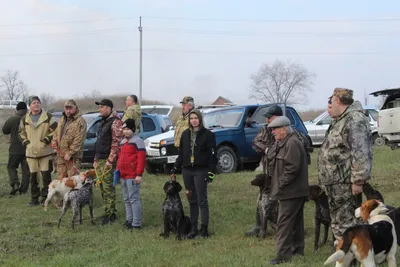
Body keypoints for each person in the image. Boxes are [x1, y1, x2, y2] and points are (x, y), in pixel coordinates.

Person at [318, 88, 372, 246]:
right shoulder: (342, 119)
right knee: (339, 220)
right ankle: (348, 254)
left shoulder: (355, 119)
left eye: (332, 101)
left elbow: (360, 151)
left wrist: (358, 180)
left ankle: (349, 256)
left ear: (337, 101)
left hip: (345, 182)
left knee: (346, 222)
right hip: (336, 182)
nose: (331, 105)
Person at [245, 105, 310, 237]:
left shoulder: (291, 131)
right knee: (263, 197)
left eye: (270, 117)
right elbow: (255, 143)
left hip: (284, 172)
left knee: (285, 202)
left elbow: (304, 144)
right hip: (270, 171)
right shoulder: (266, 129)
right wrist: (267, 150)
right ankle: (260, 226)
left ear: (280, 118)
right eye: (267, 118)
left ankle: (286, 227)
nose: (268, 121)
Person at [266, 116, 309, 265]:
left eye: (275, 129)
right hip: (293, 190)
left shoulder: (292, 143)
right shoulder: (284, 142)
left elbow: (292, 168)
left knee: (283, 222)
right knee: (296, 221)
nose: (272, 132)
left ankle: (282, 255)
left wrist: (280, 184)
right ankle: (297, 250)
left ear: (284, 129)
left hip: (292, 191)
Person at [171, 109, 217, 239]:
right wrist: (175, 167)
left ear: (200, 119)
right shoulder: (185, 134)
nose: (194, 121)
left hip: (201, 171)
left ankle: (204, 229)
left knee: (202, 200)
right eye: (191, 119)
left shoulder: (208, 135)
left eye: (196, 118)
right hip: (187, 171)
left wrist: (211, 173)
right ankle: (193, 227)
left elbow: (213, 156)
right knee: (192, 200)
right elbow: (181, 154)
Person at [19, 96, 57, 206]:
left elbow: (55, 130)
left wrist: (46, 140)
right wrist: (26, 142)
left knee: (46, 177)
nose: (36, 104)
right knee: (33, 178)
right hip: (31, 153)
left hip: (45, 151)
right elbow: (20, 133)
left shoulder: (48, 117)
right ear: (29, 105)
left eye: (38, 102)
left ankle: (46, 198)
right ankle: (34, 199)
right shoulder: (24, 118)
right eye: (34, 103)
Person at [93, 98, 123, 225]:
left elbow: (116, 143)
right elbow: (99, 142)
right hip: (100, 159)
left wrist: (110, 160)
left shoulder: (115, 122)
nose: (99, 109)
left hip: (107, 160)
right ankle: (106, 211)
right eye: (99, 107)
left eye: (102, 107)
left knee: (108, 187)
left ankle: (111, 214)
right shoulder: (103, 122)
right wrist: (95, 158)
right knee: (101, 187)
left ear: (109, 108)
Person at [116, 118, 146, 230]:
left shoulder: (138, 141)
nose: (126, 131)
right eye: (124, 129)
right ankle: (129, 220)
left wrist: (139, 174)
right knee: (126, 198)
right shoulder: (123, 142)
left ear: (133, 129)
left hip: (132, 175)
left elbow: (141, 159)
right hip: (123, 175)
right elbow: (120, 158)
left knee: (133, 198)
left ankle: (136, 223)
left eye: (128, 129)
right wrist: (118, 171)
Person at [51, 99, 87, 178]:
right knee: (61, 181)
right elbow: (56, 132)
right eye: (66, 108)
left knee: (72, 181)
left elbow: (79, 140)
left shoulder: (80, 121)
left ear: (75, 108)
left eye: (70, 108)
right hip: (61, 155)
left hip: (73, 158)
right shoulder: (62, 119)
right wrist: (54, 141)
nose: (68, 111)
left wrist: (70, 153)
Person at [2, 101, 30, 195]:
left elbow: (5, 131)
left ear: (17, 109)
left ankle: (15, 184)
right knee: (26, 170)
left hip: (15, 149)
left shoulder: (12, 119)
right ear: (26, 109)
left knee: (11, 166)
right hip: (27, 148)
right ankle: (24, 189)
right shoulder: (29, 119)